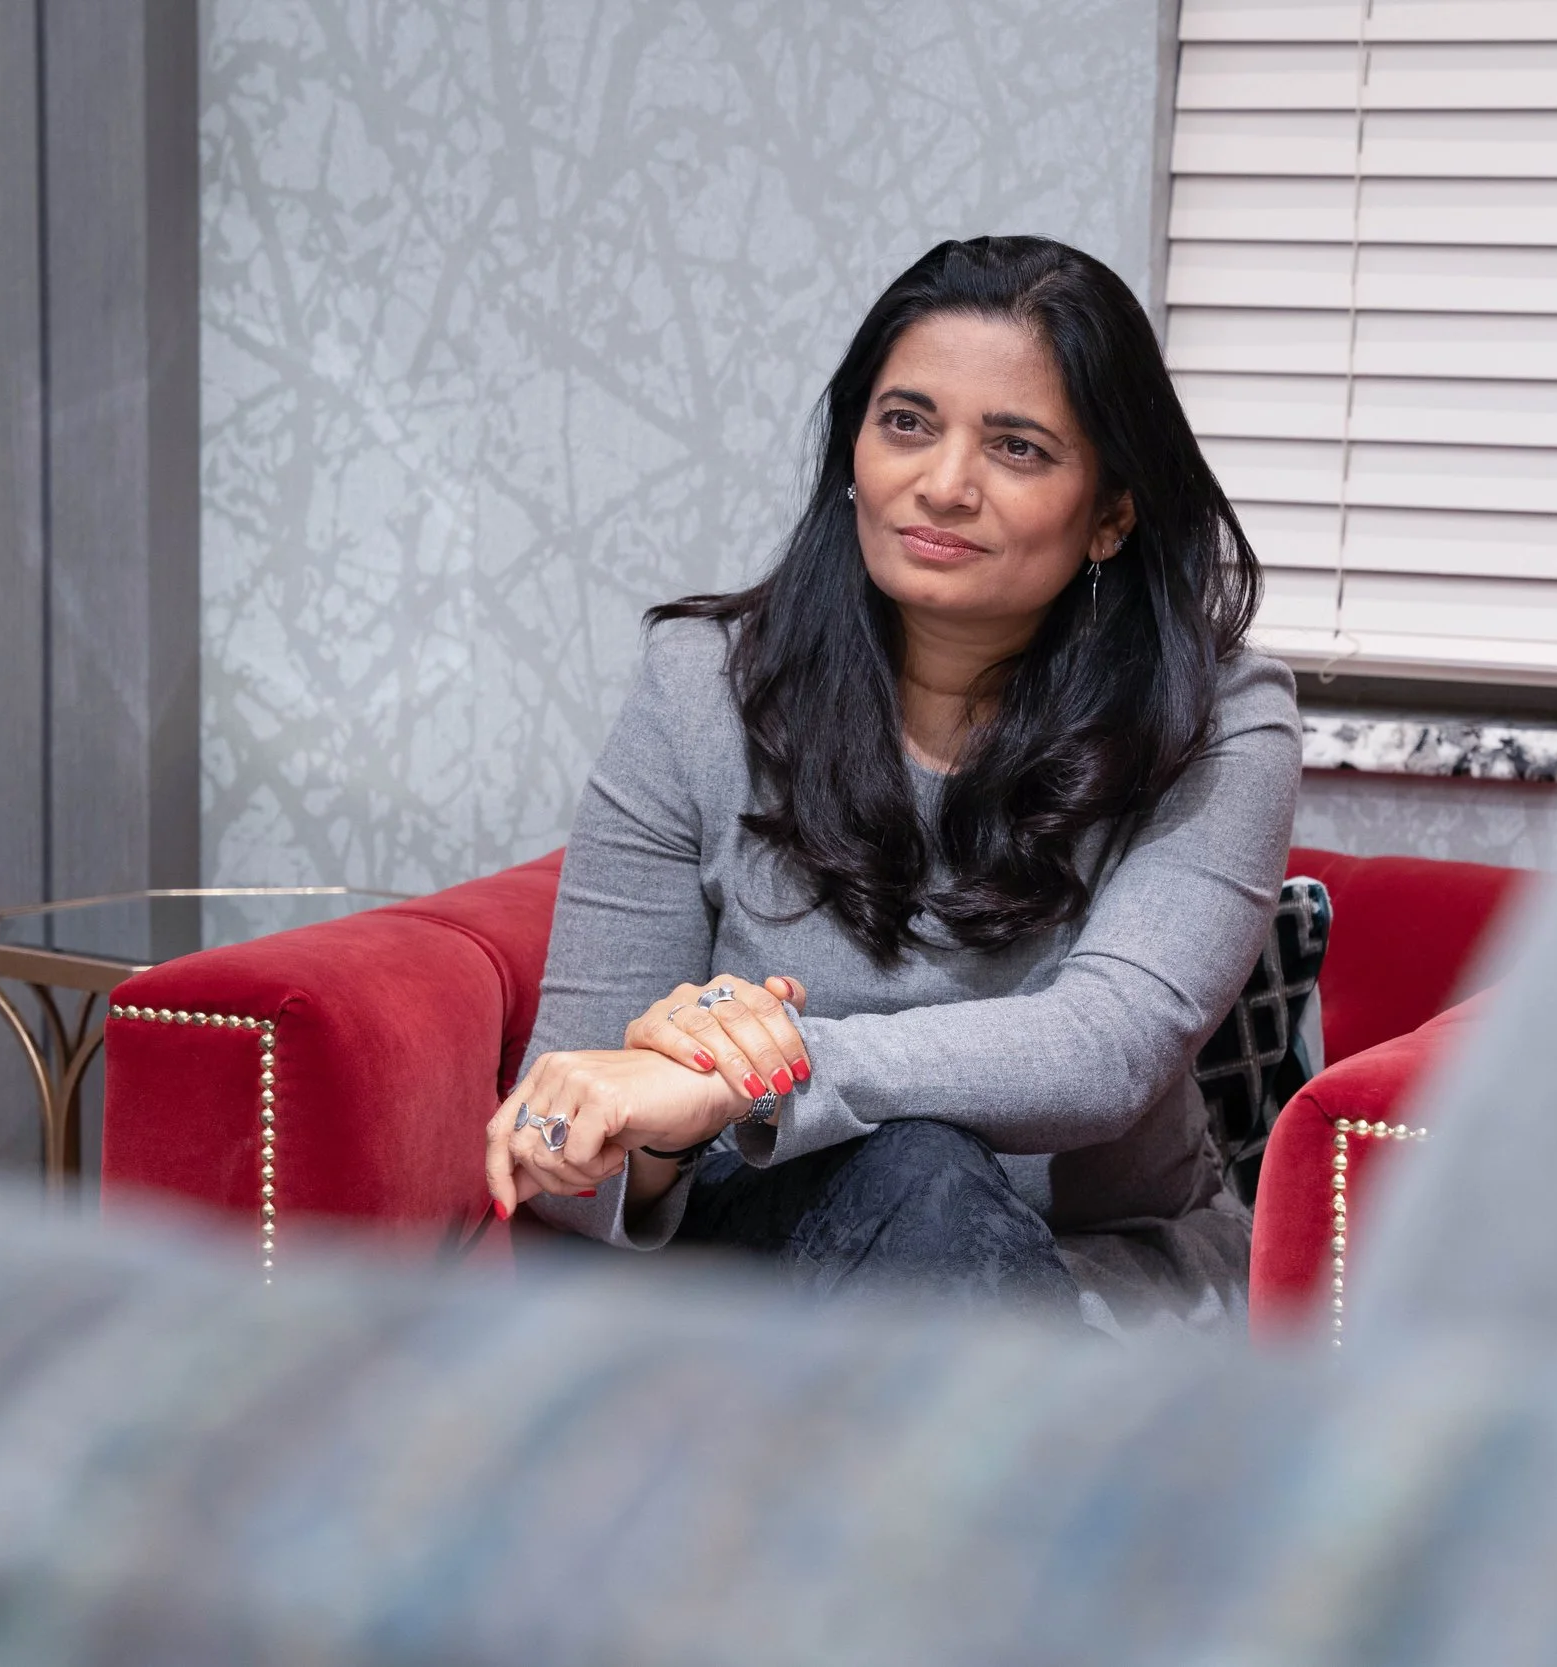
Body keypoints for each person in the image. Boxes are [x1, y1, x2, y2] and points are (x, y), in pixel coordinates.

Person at [481, 236, 1301, 1321]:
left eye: (1017, 447)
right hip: (762, 1269)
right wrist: (649, 1139)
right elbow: (557, 1142)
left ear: (1111, 512)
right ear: (853, 452)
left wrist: (755, 1073)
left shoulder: (1217, 717)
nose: (943, 486)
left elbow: (1106, 1047)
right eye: (907, 423)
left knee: (921, 1167)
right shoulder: (701, 689)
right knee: (905, 1170)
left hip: (1085, 1283)